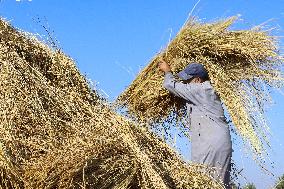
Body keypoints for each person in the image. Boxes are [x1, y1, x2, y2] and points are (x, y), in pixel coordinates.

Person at [158, 59, 232, 189]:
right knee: (215, 184)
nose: (185, 83)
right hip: (213, 142)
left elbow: (171, 85)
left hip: (211, 144)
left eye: (188, 80)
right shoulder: (204, 91)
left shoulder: (202, 90)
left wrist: (167, 71)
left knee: (207, 183)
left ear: (197, 80)